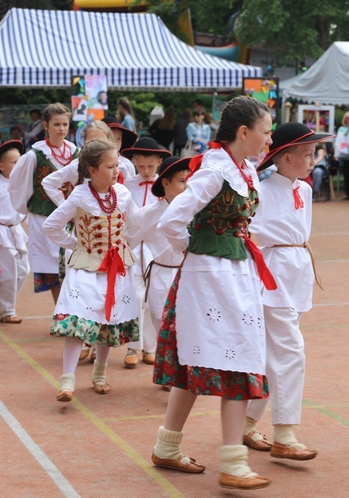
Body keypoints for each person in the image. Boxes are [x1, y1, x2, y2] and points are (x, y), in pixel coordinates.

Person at [150, 96, 275, 491]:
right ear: (244, 132)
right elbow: (172, 219)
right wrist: (196, 248)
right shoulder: (216, 170)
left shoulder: (243, 169)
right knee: (239, 359)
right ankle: (234, 464)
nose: (269, 140)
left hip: (233, 275)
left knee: (194, 363)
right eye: (266, 132)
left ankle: (167, 447)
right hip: (211, 279)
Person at [243, 122, 329, 463]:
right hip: (272, 273)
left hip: (296, 270)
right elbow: (248, 230)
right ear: (285, 156)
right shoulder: (261, 191)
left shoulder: (304, 190)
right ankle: (285, 432)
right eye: (306, 154)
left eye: (313, 154)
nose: (312, 161)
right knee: (291, 351)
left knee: (270, 355)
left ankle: (247, 423)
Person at [43, 139, 139, 401]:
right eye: (110, 166)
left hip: (116, 268)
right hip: (85, 269)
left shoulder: (123, 193)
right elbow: (51, 226)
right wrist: (77, 245)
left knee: (109, 320)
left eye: (117, 164)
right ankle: (67, 380)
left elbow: (137, 222)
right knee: (78, 318)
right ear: (92, 170)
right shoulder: (80, 196)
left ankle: (99, 373)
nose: (116, 170)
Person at [125, 156, 191, 378]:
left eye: (190, 181)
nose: (187, 186)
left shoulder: (197, 210)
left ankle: (179, 374)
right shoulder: (150, 214)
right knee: (163, 323)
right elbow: (129, 241)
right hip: (161, 275)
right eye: (182, 181)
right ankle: (169, 372)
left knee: (186, 326)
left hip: (190, 274)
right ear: (165, 183)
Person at [9, 103, 78, 303]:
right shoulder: (34, 155)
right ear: (46, 126)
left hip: (71, 220)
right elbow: (17, 183)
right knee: (51, 269)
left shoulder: (76, 152)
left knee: (72, 265)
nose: (62, 129)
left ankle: (68, 311)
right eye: (56, 124)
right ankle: (60, 311)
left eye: (65, 124)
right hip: (43, 218)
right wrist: (28, 207)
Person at [122, 137, 171, 367]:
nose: (145, 171)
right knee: (134, 295)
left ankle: (150, 347)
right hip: (131, 246)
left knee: (154, 298)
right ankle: (133, 346)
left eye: (150, 166)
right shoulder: (126, 186)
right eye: (140, 166)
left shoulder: (165, 186)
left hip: (155, 248)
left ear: (160, 162)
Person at [0, 140, 28, 324]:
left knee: (24, 270)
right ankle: (7, 311)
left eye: (19, 161)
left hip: (16, 230)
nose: (17, 165)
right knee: (8, 272)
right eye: (13, 162)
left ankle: (4, 298)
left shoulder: (21, 183)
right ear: (0, 166)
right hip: (1, 232)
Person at [102, 116, 138, 181]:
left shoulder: (127, 165)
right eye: (111, 138)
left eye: (119, 139)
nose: (115, 143)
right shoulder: (93, 162)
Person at [333, 112, 349, 200]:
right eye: (348, 118)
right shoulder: (341, 129)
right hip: (344, 156)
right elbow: (339, 139)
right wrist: (348, 130)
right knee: (346, 175)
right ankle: (347, 194)